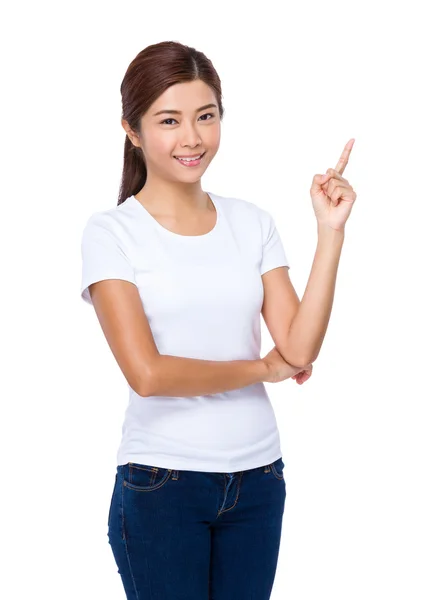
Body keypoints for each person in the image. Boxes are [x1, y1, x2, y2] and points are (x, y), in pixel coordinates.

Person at [80, 40, 357, 600]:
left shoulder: (251, 223)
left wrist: (330, 231)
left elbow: (299, 351)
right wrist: (259, 369)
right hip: (162, 484)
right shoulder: (112, 233)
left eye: (206, 117)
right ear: (132, 130)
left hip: (259, 480)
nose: (192, 138)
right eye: (169, 120)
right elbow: (148, 375)